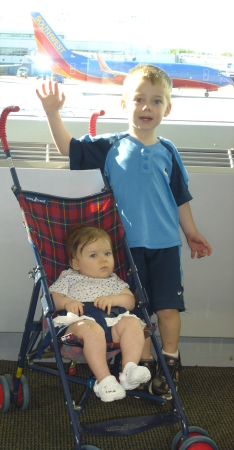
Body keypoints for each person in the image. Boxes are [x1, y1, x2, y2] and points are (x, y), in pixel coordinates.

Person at [36, 64, 212, 399]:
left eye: (156, 101)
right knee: (137, 311)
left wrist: (190, 233)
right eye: (139, 99)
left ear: (167, 108)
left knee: (168, 309)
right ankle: (140, 367)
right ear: (124, 104)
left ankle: (169, 362)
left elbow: (180, 199)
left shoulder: (169, 151)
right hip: (125, 250)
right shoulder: (111, 146)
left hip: (166, 247)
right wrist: (52, 112)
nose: (147, 107)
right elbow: (68, 148)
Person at [49, 224, 151, 402]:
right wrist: (67, 302)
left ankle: (129, 370)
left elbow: (130, 301)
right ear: (75, 264)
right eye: (94, 255)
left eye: (107, 253)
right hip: (79, 324)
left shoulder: (114, 281)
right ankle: (104, 380)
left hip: (110, 324)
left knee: (133, 323)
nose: (103, 259)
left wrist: (113, 300)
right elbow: (53, 298)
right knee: (92, 329)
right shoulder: (70, 277)